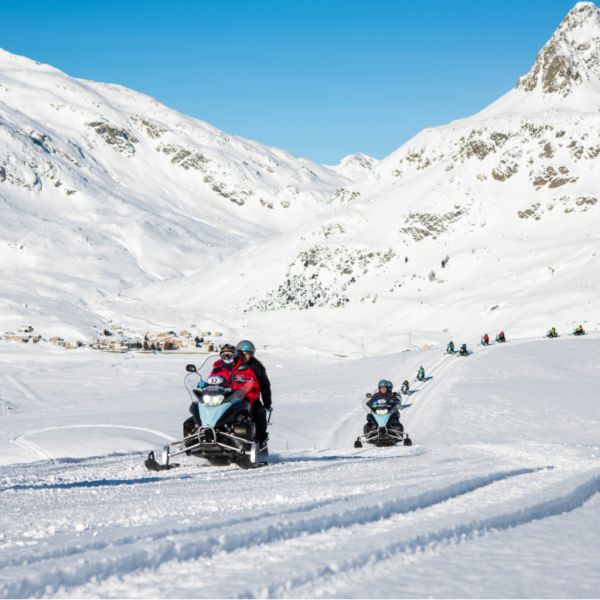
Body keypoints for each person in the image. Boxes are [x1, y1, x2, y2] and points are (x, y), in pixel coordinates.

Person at [236, 340, 270, 447]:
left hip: (250, 397)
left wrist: (267, 404)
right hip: (231, 397)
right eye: (240, 353)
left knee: (259, 412)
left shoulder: (257, 367)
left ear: (251, 354)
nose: (243, 356)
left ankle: (260, 441)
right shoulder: (232, 365)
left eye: (246, 353)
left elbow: (265, 386)